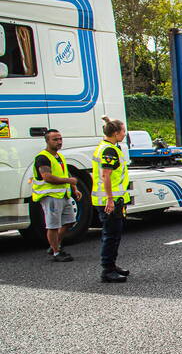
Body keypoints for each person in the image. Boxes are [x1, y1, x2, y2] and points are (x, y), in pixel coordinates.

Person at [32, 129, 83, 262]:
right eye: (55, 139)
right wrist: (69, 181)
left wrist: (74, 188)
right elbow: (47, 177)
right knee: (53, 226)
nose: (59, 142)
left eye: (60, 139)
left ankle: (54, 245)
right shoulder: (42, 158)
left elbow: (65, 173)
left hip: (63, 195)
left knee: (70, 221)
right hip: (50, 196)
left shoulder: (59, 156)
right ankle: (56, 252)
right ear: (47, 141)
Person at [91, 117, 131, 283]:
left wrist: (109, 121)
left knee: (114, 234)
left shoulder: (108, 146)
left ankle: (112, 266)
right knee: (111, 236)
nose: (124, 134)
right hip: (109, 200)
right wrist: (110, 199)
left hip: (112, 199)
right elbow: (105, 175)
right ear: (115, 133)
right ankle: (107, 270)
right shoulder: (108, 150)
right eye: (123, 131)